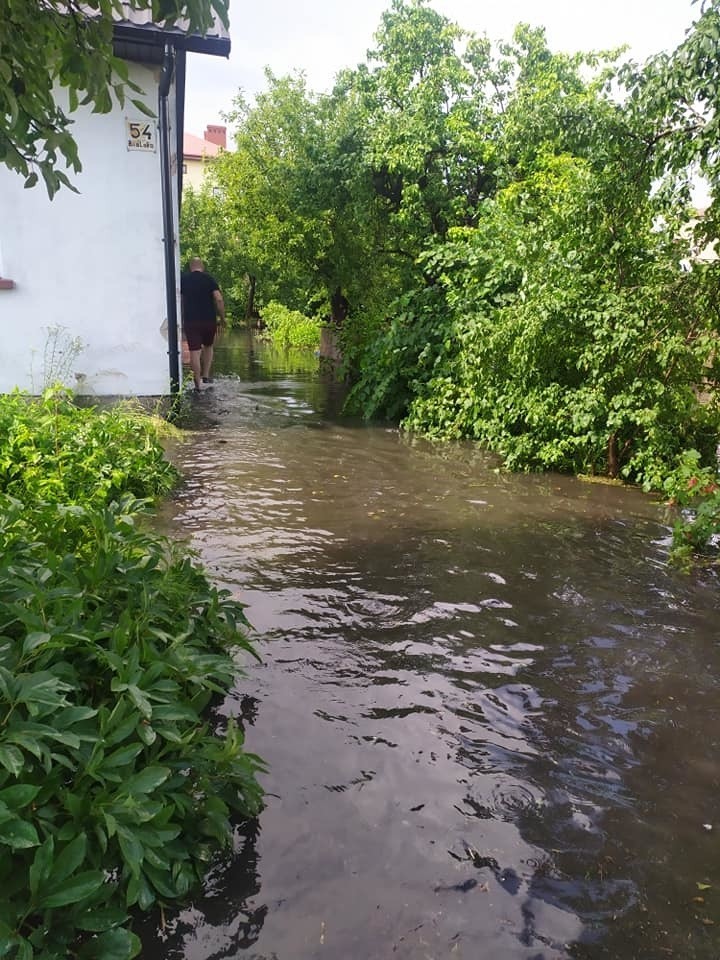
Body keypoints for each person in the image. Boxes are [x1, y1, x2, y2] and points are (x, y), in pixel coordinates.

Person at [180, 257, 226, 391]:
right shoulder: (209, 279)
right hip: (209, 321)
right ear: (202, 267)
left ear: (190, 267)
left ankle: (197, 383)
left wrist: (181, 318)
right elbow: (219, 299)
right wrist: (223, 318)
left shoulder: (184, 280)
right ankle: (206, 376)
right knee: (208, 346)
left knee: (194, 352)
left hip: (191, 321)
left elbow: (180, 300)